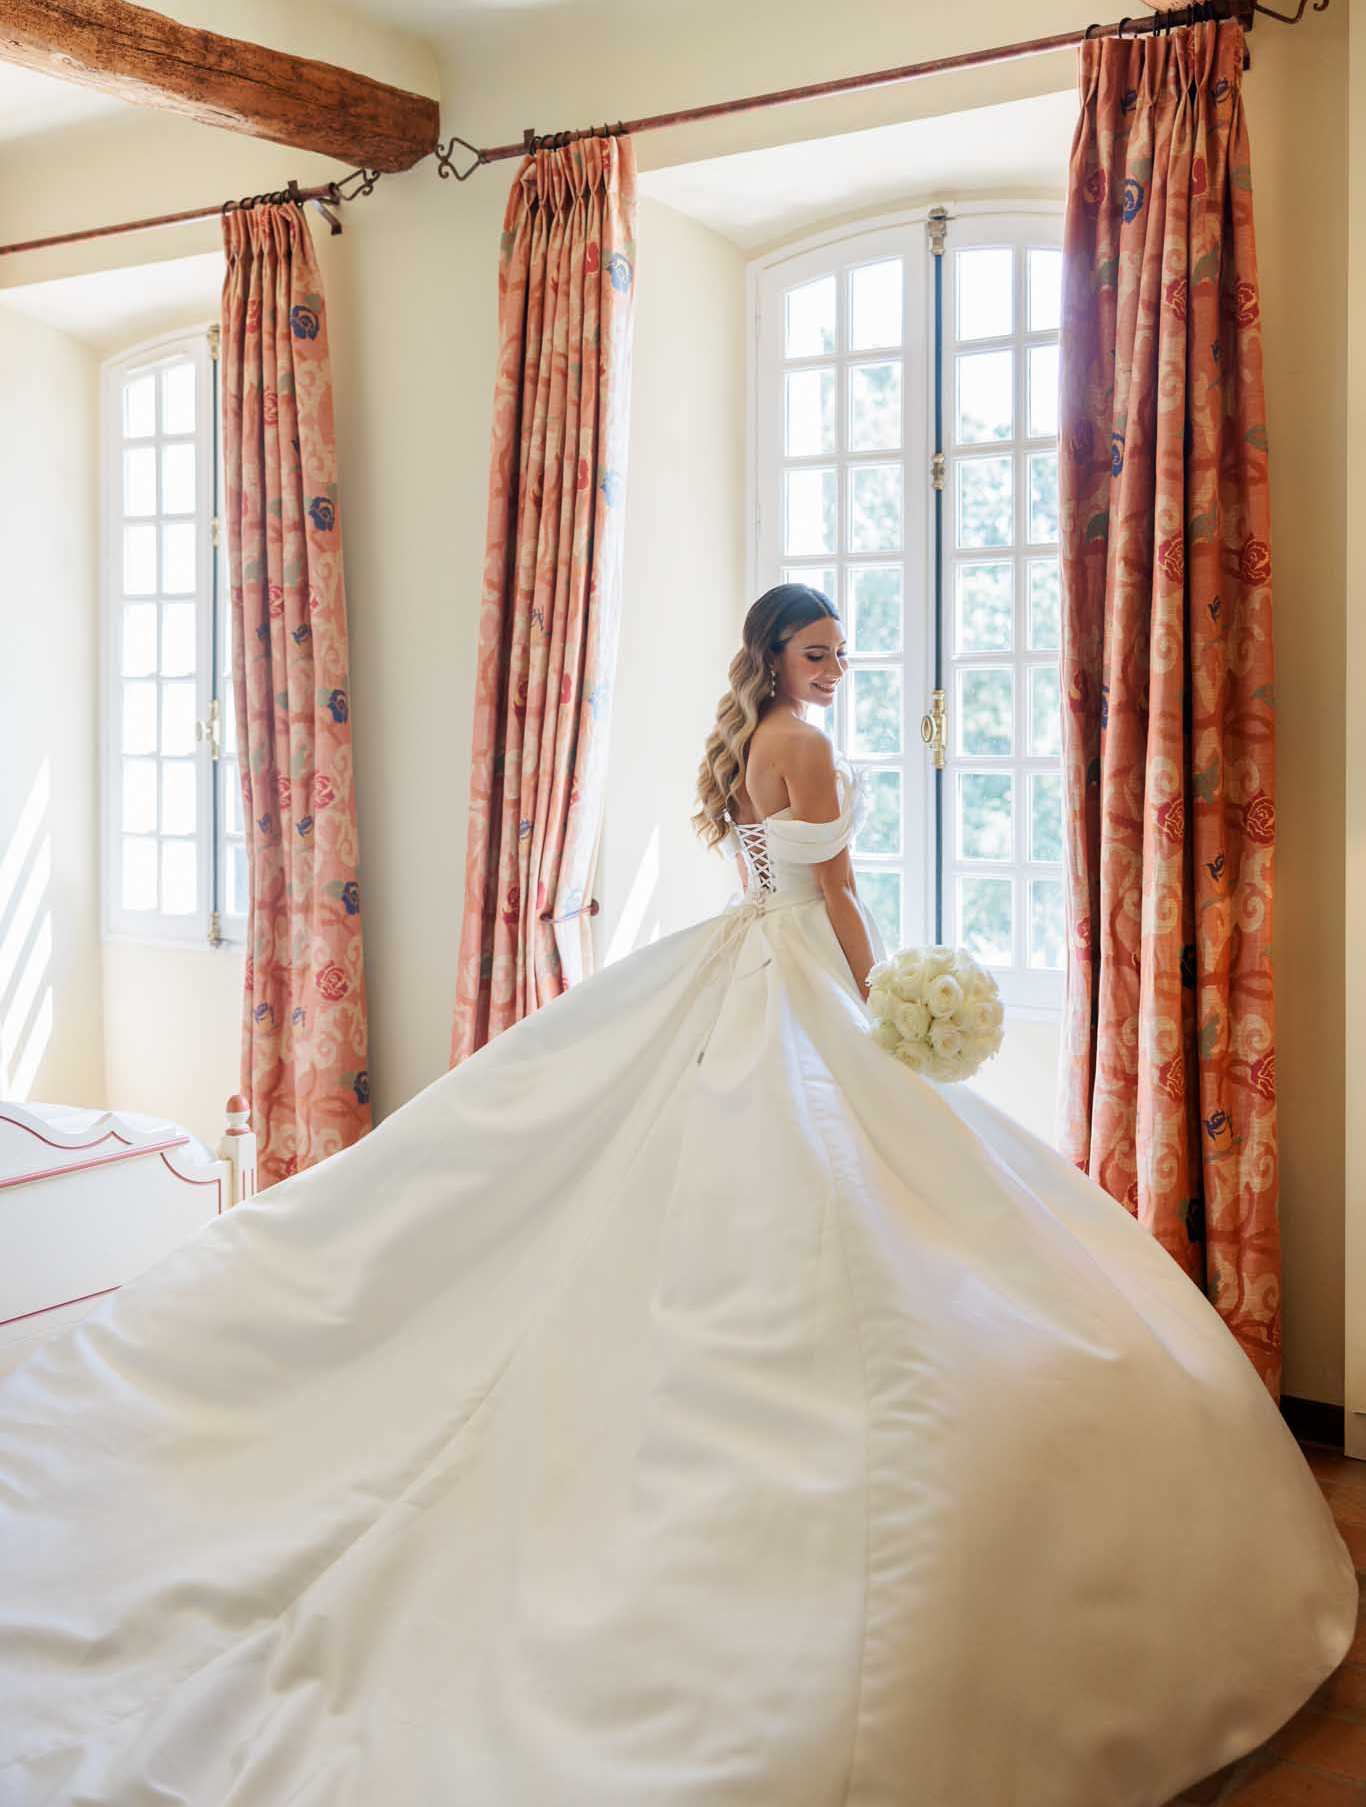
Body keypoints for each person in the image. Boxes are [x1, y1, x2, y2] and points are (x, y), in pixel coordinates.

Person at [0, 583, 1356, 1807]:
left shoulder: (749, 740)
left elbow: (767, 867)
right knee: (836, 1190)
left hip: (731, 962)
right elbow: (832, 891)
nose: (833, 669)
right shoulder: (803, 742)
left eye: (838, 653)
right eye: (816, 650)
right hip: (794, 975)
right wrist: (887, 992)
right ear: (775, 653)